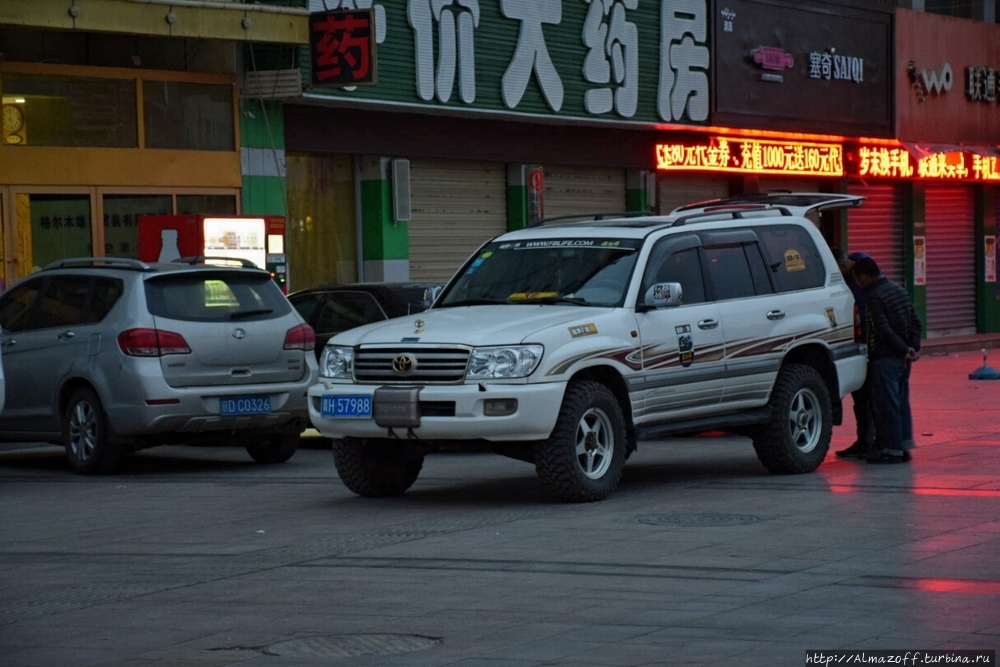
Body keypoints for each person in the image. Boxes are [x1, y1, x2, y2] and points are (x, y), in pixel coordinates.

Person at [852, 256, 922, 464]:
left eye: (857, 279)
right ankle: (903, 446)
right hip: (903, 359)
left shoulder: (874, 297)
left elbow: (882, 330)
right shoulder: (898, 289)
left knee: (886, 404)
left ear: (864, 277)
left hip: (886, 358)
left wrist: (903, 350)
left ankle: (891, 451)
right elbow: (916, 321)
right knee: (900, 402)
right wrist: (912, 348)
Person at [831, 249, 875, 459]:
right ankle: (865, 440)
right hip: (858, 341)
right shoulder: (850, 276)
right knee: (861, 397)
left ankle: (872, 441)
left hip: (868, 343)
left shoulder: (863, 273)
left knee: (869, 397)